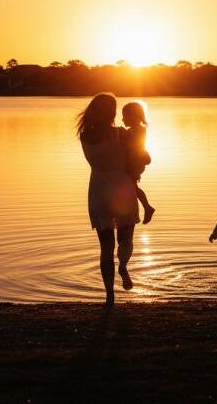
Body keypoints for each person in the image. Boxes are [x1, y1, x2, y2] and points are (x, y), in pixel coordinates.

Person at [78, 93, 140, 307]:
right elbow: (139, 154)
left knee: (106, 247)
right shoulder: (120, 134)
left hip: (98, 190)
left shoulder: (85, 136)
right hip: (122, 188)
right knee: (126, 239)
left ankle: (109, 295)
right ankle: (123, 265)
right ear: (112, 112)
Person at [119, 101, 157, 224]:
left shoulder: (135, 131)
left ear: (133, 116)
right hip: (136, 163)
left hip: (134, 164)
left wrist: (119, 132)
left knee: (133, 187)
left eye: (125, 116)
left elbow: (129, 141)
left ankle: (147, 207)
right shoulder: (140, 129)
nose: (122, 119)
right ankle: (147, 207)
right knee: (133, 187)